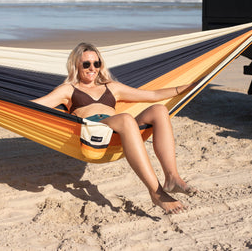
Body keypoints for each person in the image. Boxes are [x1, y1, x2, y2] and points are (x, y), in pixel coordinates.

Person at [33, 42, 197, 214]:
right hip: (94, 133)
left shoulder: (111, 87)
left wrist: (187, 87)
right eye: (86, 64)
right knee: (126, 119)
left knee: (160, 110)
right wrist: (4, 103)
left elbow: (153, 95)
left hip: (120, 133)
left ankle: (172, 177)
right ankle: (156, 192)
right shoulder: (67, 89)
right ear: (76, 65)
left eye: (96, 64)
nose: (92, 68)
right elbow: (35, 106)